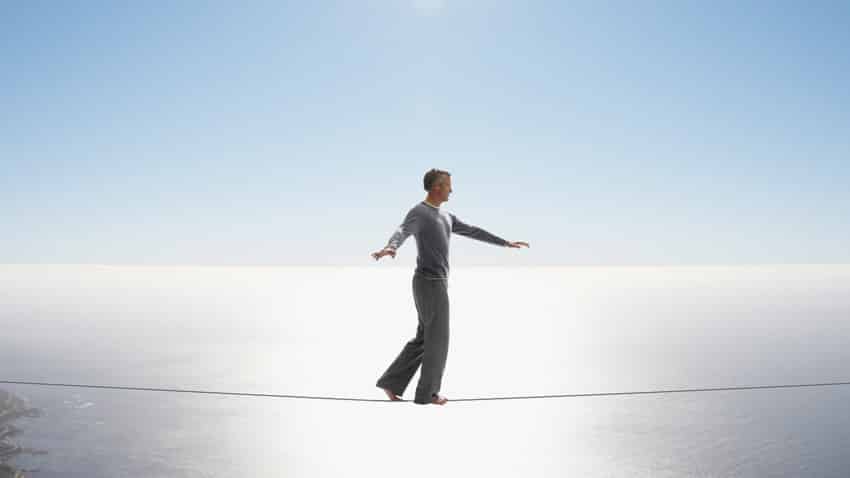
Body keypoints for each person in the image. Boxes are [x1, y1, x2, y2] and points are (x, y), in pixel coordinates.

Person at [371, 169, 530, 405]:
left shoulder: (447, 217)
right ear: (436, 187)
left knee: (425, 338)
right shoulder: (420, 212)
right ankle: (427, 394)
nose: (451, 190)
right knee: (439, 339)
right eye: (448, 186)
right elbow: (403, 230)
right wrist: (391, 247)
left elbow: (474, 231)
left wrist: (505, 243)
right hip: (429, 282)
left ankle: (391, 382)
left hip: (435, 284)